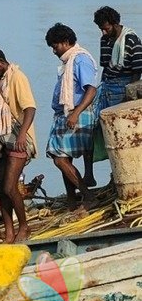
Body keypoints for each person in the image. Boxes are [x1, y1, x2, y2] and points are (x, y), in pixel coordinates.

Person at [0, 46, 37, 243]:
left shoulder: (17, 77)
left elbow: (29, 108)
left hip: (18, 138)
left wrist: (22, 135)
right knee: (1, 189)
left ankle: (24, 226)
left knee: (10, 187)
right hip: (1, 139)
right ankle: (9, 231)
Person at [45, 23, 98, 209]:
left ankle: (87, 196)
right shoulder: (68, 61)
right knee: (62, 158)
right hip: (65, 114)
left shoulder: (80, 59)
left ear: (66, 42)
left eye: (55, 46)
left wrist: (75, 113)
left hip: (78, 113)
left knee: (60, 159)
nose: (54, 51)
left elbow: (91, 89)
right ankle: (71, 198)